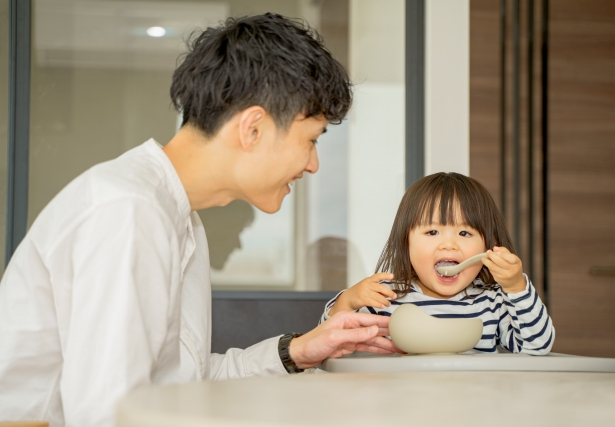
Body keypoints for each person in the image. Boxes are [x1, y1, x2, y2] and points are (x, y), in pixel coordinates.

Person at [0, 14, 399, 427]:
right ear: (253, 128)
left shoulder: (178, 215)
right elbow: (106, 414)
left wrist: (298, 350)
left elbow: (182, 380)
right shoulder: (126, 211)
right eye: (311, 140)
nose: (313, 165)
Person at [321, 172, 555, 355]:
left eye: (464, 233)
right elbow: (329, 345)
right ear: (406, 242)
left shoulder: (493, 302)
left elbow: (537, 347)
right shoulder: (384, 299)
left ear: (488, 247)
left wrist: (516, 287)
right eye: (432, 231)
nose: (449, 245)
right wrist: (346, 301)